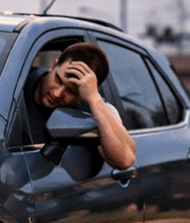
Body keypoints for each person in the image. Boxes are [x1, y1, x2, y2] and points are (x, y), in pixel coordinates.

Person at [23, 42, 137, 170]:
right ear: (54, 65)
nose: (57, 93)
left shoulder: (91, 106)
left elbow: (126, 159)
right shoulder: (18, 81)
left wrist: (94, 98)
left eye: (71, 91)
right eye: (58, 79)